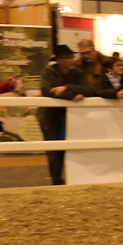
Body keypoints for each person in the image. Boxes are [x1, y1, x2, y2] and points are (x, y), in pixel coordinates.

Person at [39, 44, 93, 185]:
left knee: (65, 148)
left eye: (72, 57)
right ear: (60, 60)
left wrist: (66, 88)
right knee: (52, 150)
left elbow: (87, 89)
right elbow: (47, 90)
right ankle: (56, 180)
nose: (72, 60)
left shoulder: (77, 73)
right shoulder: (48, 72)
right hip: (50, 116)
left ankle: (68, 178)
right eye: (68, 57)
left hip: (69, 116)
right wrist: (72, 96)